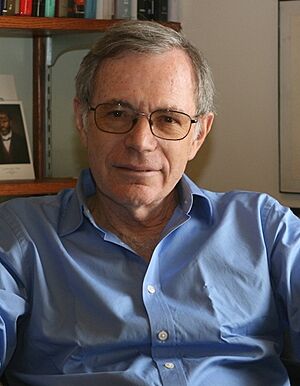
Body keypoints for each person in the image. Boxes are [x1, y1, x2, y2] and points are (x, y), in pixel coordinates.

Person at [0, 20, 299, 386]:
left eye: (168, 119)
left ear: (198, 135)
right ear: (82, 120)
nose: (141, 141)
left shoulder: (265, 228)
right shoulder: (21, 236)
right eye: (117, 114)